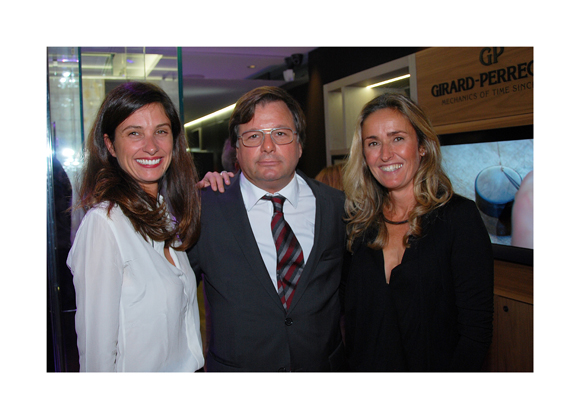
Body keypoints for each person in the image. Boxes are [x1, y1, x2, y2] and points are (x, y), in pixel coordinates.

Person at [187, 86, 346, 372]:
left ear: (300, 144)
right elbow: (171, 297)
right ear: (236, 149)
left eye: (281, 134)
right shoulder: (203, 209)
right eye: (253, 136)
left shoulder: (337, 207)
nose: (268, 146)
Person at [342, 93, 494, 371]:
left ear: (422, 146)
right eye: (373, 143)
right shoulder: (357, 224)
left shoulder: (458, 218)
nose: (386, 154)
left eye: (397, 138)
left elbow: (476, 332)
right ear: (364, 155)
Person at [67, 82, 204, 372]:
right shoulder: (104, 226)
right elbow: (96, 355)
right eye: (134, 133)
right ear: (110, 145)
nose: (151, 146)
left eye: (161, 132)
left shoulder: (166, 214)